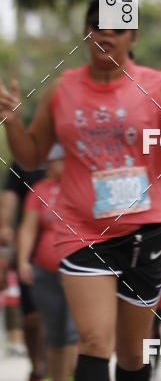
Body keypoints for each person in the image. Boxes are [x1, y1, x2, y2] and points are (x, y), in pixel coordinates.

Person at [0, 0, 161, 381]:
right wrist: (13, 122)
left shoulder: (155, 87)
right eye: (98, 26)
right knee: (95, 342)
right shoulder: (61, 89)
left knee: (132, 355)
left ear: (133, 37)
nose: (106, 36)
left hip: (144, 231)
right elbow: (32, 158)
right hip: (83, 230)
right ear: (86, 32)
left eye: (117, 29)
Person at [17, 143, 78, 381]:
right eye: (49, 162)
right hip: (45, 270)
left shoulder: (80, 187)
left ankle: (71, 374)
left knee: (73, 331)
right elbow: (28, 228)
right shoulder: (40, 189)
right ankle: (56, 376)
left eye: (56, 160)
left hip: (76, 268)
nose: (50, 166)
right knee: (54, 333)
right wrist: (23, 261)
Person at [0, 160, 45, 379]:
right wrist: (4, 226)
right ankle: (37, 367)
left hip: (70, 245)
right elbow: (8, 199)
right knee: (32, 318)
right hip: (28, 249)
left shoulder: (74, 150)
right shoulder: (23, 163)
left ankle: (63, 366)